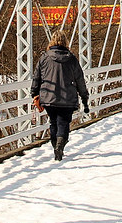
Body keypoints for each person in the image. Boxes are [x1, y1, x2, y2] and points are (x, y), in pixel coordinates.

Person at [32, 30, 89, 161]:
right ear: (65, 42)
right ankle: (60, 145)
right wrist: (84, 96)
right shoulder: (71, 58)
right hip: (67, 97)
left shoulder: (44, 57)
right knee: (63, 122)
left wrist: (34, 93)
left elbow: (37, 77)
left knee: (53, 122)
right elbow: (80, 79)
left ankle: (55, 146)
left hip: (48, 97)